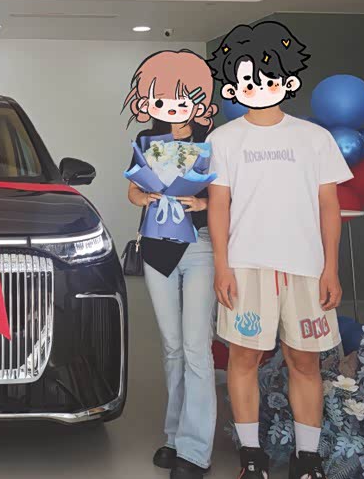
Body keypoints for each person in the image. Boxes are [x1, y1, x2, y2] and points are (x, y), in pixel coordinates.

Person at [206, 21, 351, 479]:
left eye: (269, 77)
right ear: (233, 86)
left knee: (305, 361)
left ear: (288, 80)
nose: (259, 86)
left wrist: (331, 267)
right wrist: (222, 266)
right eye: (247, 79)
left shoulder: (314, 137)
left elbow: (329, 206)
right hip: (245, 266)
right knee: (243, 358)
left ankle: (307, 459)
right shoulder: (223, 139)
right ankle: (252, 457)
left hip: (306, 267)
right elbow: (219, 207)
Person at [123, 50, 219, 479]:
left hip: (199, 246)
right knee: (172, 347)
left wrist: (203, 203)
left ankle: (196, 451)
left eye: (181, 98)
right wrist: (143, 197)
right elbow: (131, 189)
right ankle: (174, 436)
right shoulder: (147, 139)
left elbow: (226, 193)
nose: (172, 107)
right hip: (156, 245)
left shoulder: (213, 139)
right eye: (161, 98)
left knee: (197, 346)